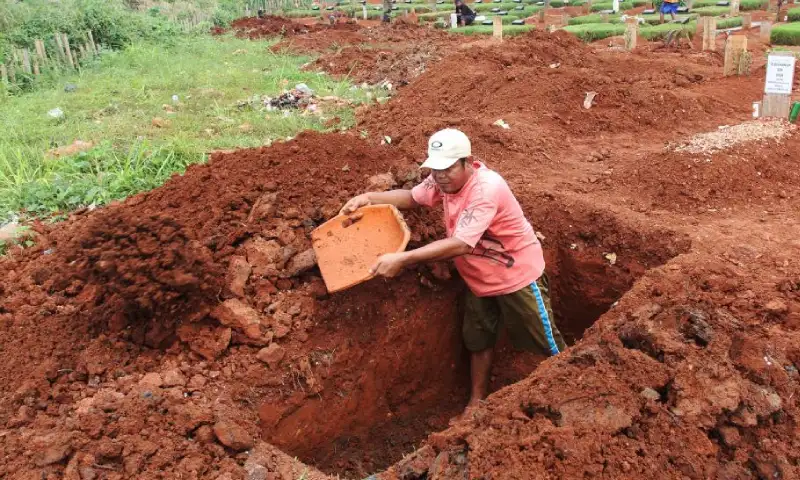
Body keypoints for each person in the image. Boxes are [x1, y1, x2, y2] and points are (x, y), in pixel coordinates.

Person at [340, 129, 566, 415]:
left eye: (447, 168)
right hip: (479, 280)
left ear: (467, 162)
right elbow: (412, 197)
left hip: (517, 277)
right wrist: (369, 197)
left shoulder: (486, 189)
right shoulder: (442, 182)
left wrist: (402, 258)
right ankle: (477, 401)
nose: (440, 175)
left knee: (545, 342)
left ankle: (567, 395)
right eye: (435, 169)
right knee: (478, 339)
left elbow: (460, 244)